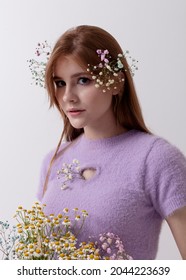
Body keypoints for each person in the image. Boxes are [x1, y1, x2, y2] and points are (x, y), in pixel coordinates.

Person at [37, 25, 186, 260]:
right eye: (60, 83)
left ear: (116, 83)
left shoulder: (156, 158)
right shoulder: (54, 161)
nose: (68, 97)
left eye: (83, 80)